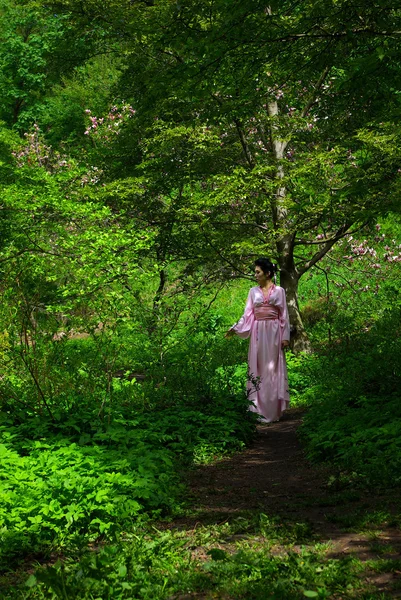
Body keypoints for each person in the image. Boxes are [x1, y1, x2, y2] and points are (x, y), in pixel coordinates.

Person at [226, 258, 290, 423]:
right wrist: (235, 328)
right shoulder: (252, 291)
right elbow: (247, 314)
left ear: (267, 273)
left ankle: (273, 411)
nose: (255, 275)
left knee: (273, 369)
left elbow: (284, 315)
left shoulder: (280, 291)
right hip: (258, 333)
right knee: (258, 368)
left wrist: (285, 337)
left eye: (257, 272)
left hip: (274, 332)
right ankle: (256, 409)